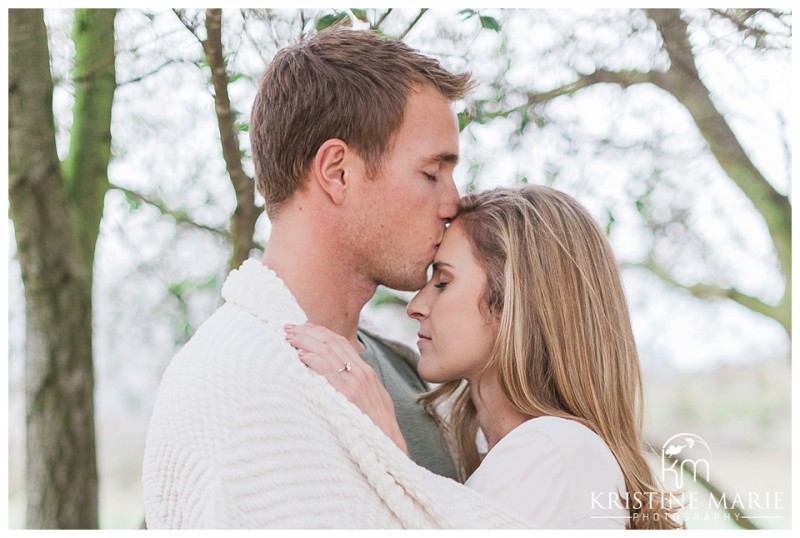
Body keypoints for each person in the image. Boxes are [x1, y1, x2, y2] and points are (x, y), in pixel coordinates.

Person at [142, 28, 526, 529]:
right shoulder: (236, 389)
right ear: (337, 171)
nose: (452, 203)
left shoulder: (409, 372)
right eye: (432, 173)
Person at [286, 185, 682, 529]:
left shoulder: (555, 452)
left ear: (515, 302)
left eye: (442, 282)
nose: (417, 306)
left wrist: (386, 450)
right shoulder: (518, 455)